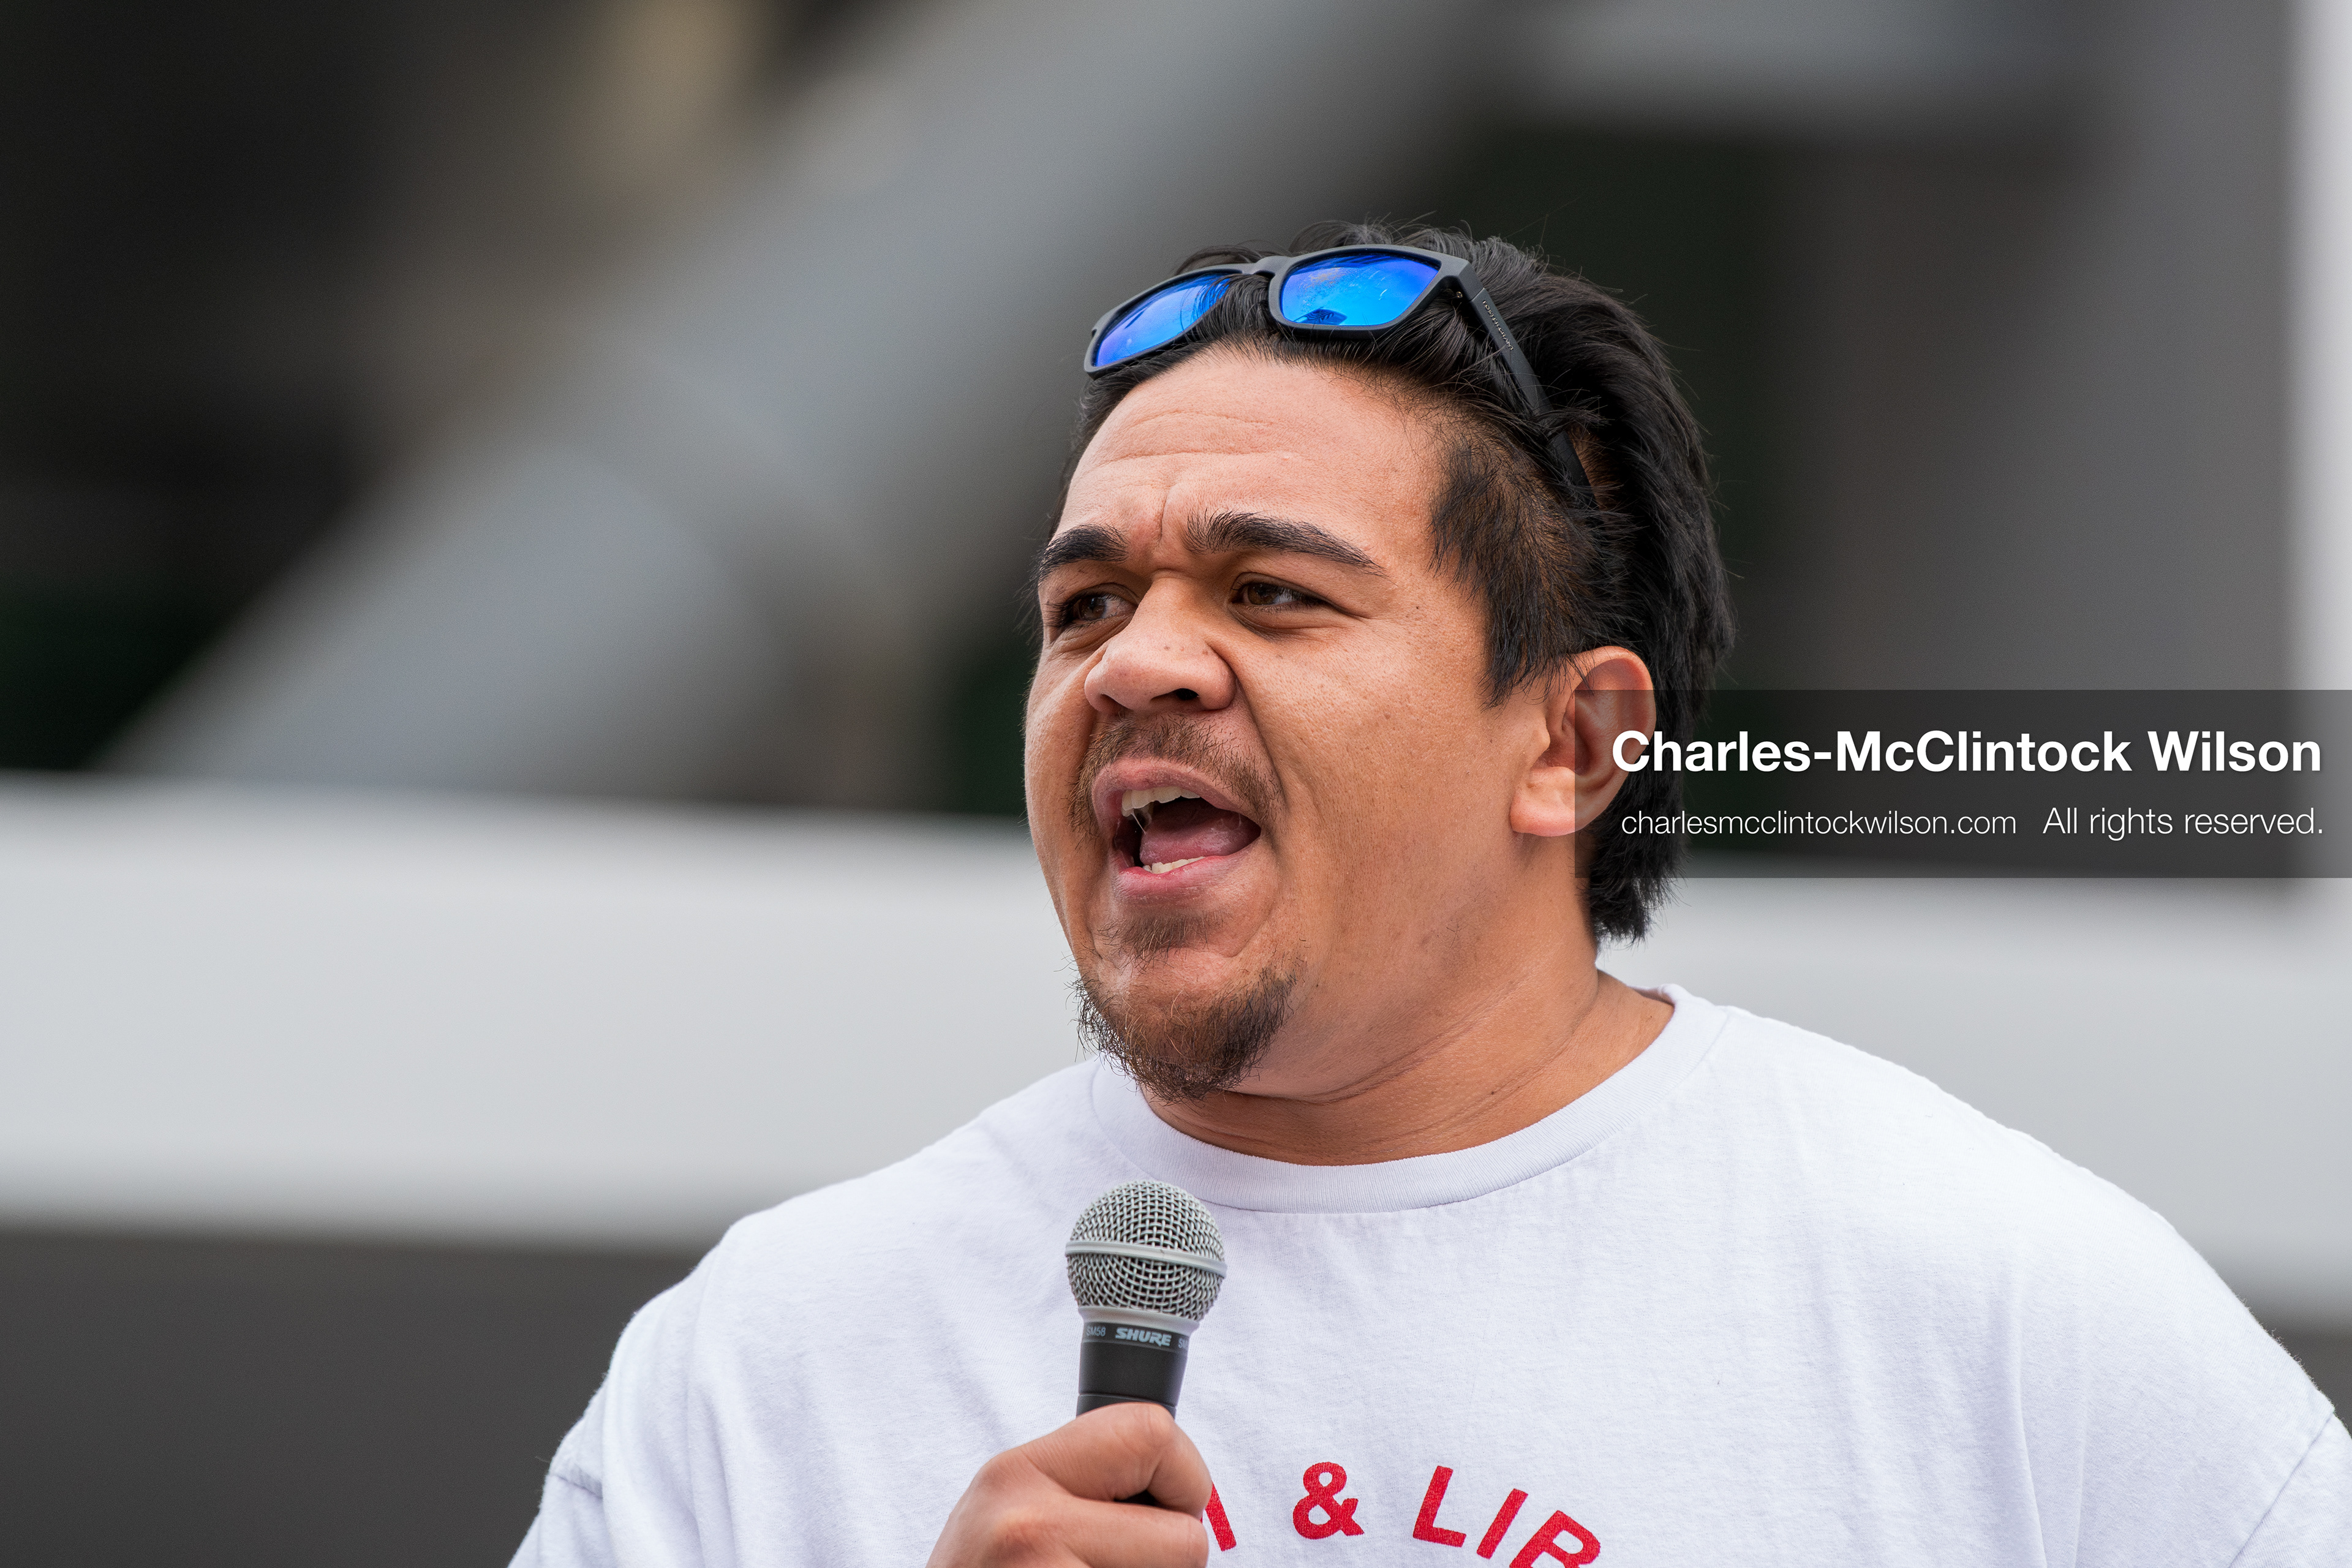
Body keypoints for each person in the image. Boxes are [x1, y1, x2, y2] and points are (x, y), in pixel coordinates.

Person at [511, 223, 2348, 1566]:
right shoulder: (765, 1363)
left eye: (1273, 595)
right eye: (1086, 607)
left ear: (1574, 741)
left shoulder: (2005, 1313)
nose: (1136, 667)